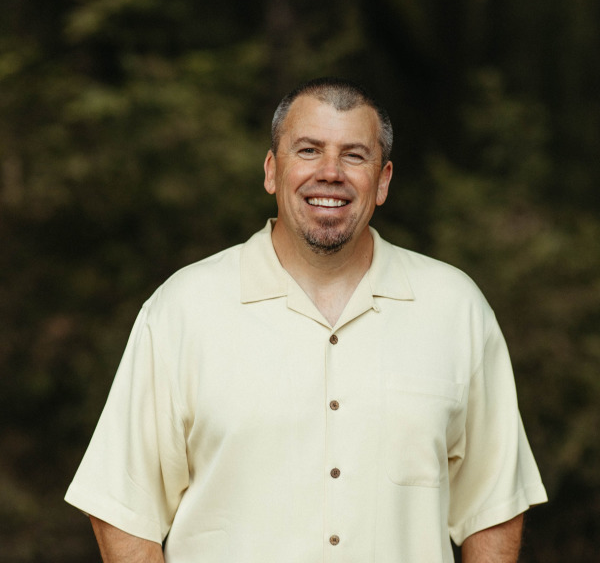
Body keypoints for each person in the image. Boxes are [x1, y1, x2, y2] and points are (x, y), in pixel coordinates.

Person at [65, 77, 547, 562]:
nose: (330, 172)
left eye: (354, 155)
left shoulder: (455, 309)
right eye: (309, 150)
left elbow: (492, 507)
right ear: (272, 171)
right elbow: (123, 509)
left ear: (383, 181)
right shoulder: (182, 310)